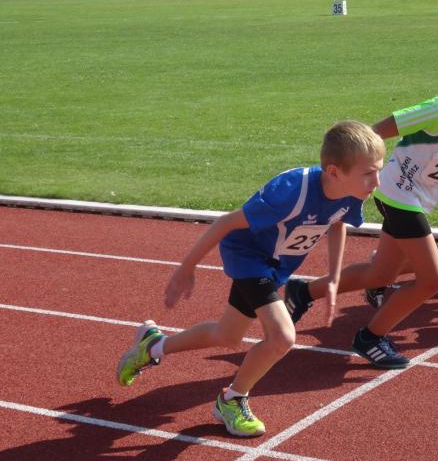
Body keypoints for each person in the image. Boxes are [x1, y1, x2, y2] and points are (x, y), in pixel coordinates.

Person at [115, 121, 385, 437]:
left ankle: (152, 346)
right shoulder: (290, 191)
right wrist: (186, 268)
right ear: (334, 171)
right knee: (283, 337)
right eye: (369, 173)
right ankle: (232, 399)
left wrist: (334, 277)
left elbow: (337, 223)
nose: (377, 181)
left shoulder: (352, 190)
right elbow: (225, 223)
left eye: (379, 170)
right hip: (247, 256)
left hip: (275, 265)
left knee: (227, 334)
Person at [283, 43, 438, 368]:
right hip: (397, 192)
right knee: (432, 279)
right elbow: (374, 133)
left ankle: (302, 293)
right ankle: (371, 337)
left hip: (416, 200)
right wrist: (350, 174)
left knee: (381, 273)